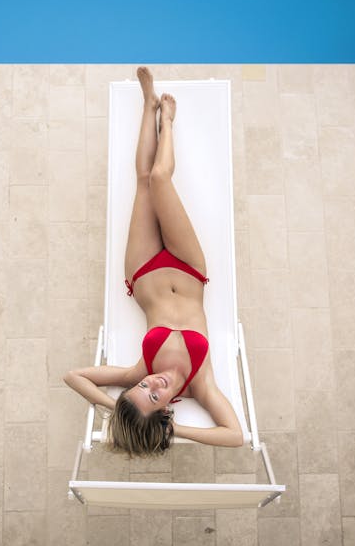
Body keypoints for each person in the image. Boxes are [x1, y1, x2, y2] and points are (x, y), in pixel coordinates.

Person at [64, 66, 243, 457]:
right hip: (188, 267)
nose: (153, 383)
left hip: (143, 269)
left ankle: (148, 105)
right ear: (165, 412)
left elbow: (73, 376)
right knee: (162, 178)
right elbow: (235, 435)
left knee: (144, 177)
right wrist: (177, 431)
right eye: (156, 395)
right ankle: (169, 124)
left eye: (142, 388)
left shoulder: (136, 372)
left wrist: (118, 407)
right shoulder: (201, 384)